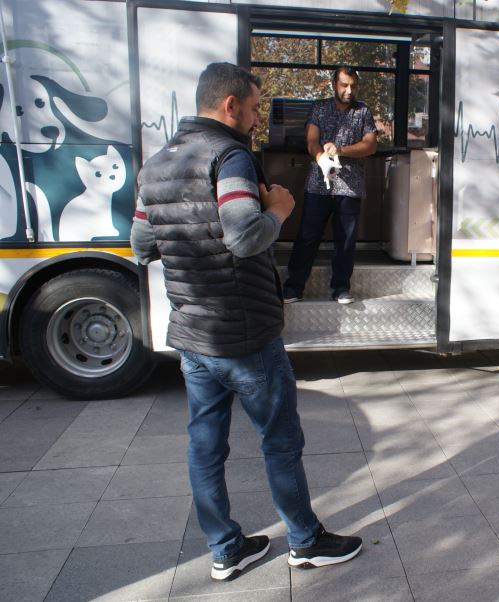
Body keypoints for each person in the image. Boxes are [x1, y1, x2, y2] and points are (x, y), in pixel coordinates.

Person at [130, 62, 362, 581]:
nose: (258, 118)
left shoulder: (156, 165)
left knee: (205, 445)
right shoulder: (229, 155)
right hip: (245, 335)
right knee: (280, 440)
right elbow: (243, 236)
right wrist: (278, 208)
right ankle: (305, 542)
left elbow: (142, 246)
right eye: (256, 107)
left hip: (192, 335)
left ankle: (225, 548)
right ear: (230, 105)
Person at [283, 66, 377, 305]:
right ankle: (293, 287)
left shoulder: (363, 111)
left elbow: (370, 145)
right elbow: (311, 140)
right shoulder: (319, 107)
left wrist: (341, 150)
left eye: (353, 86)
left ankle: (341, 288)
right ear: (334, 83)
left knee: (345, 239)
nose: (349, 90)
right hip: (318, 184)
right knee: (307, 236)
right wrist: (321, 159)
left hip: (350, 186)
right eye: (344, 85)